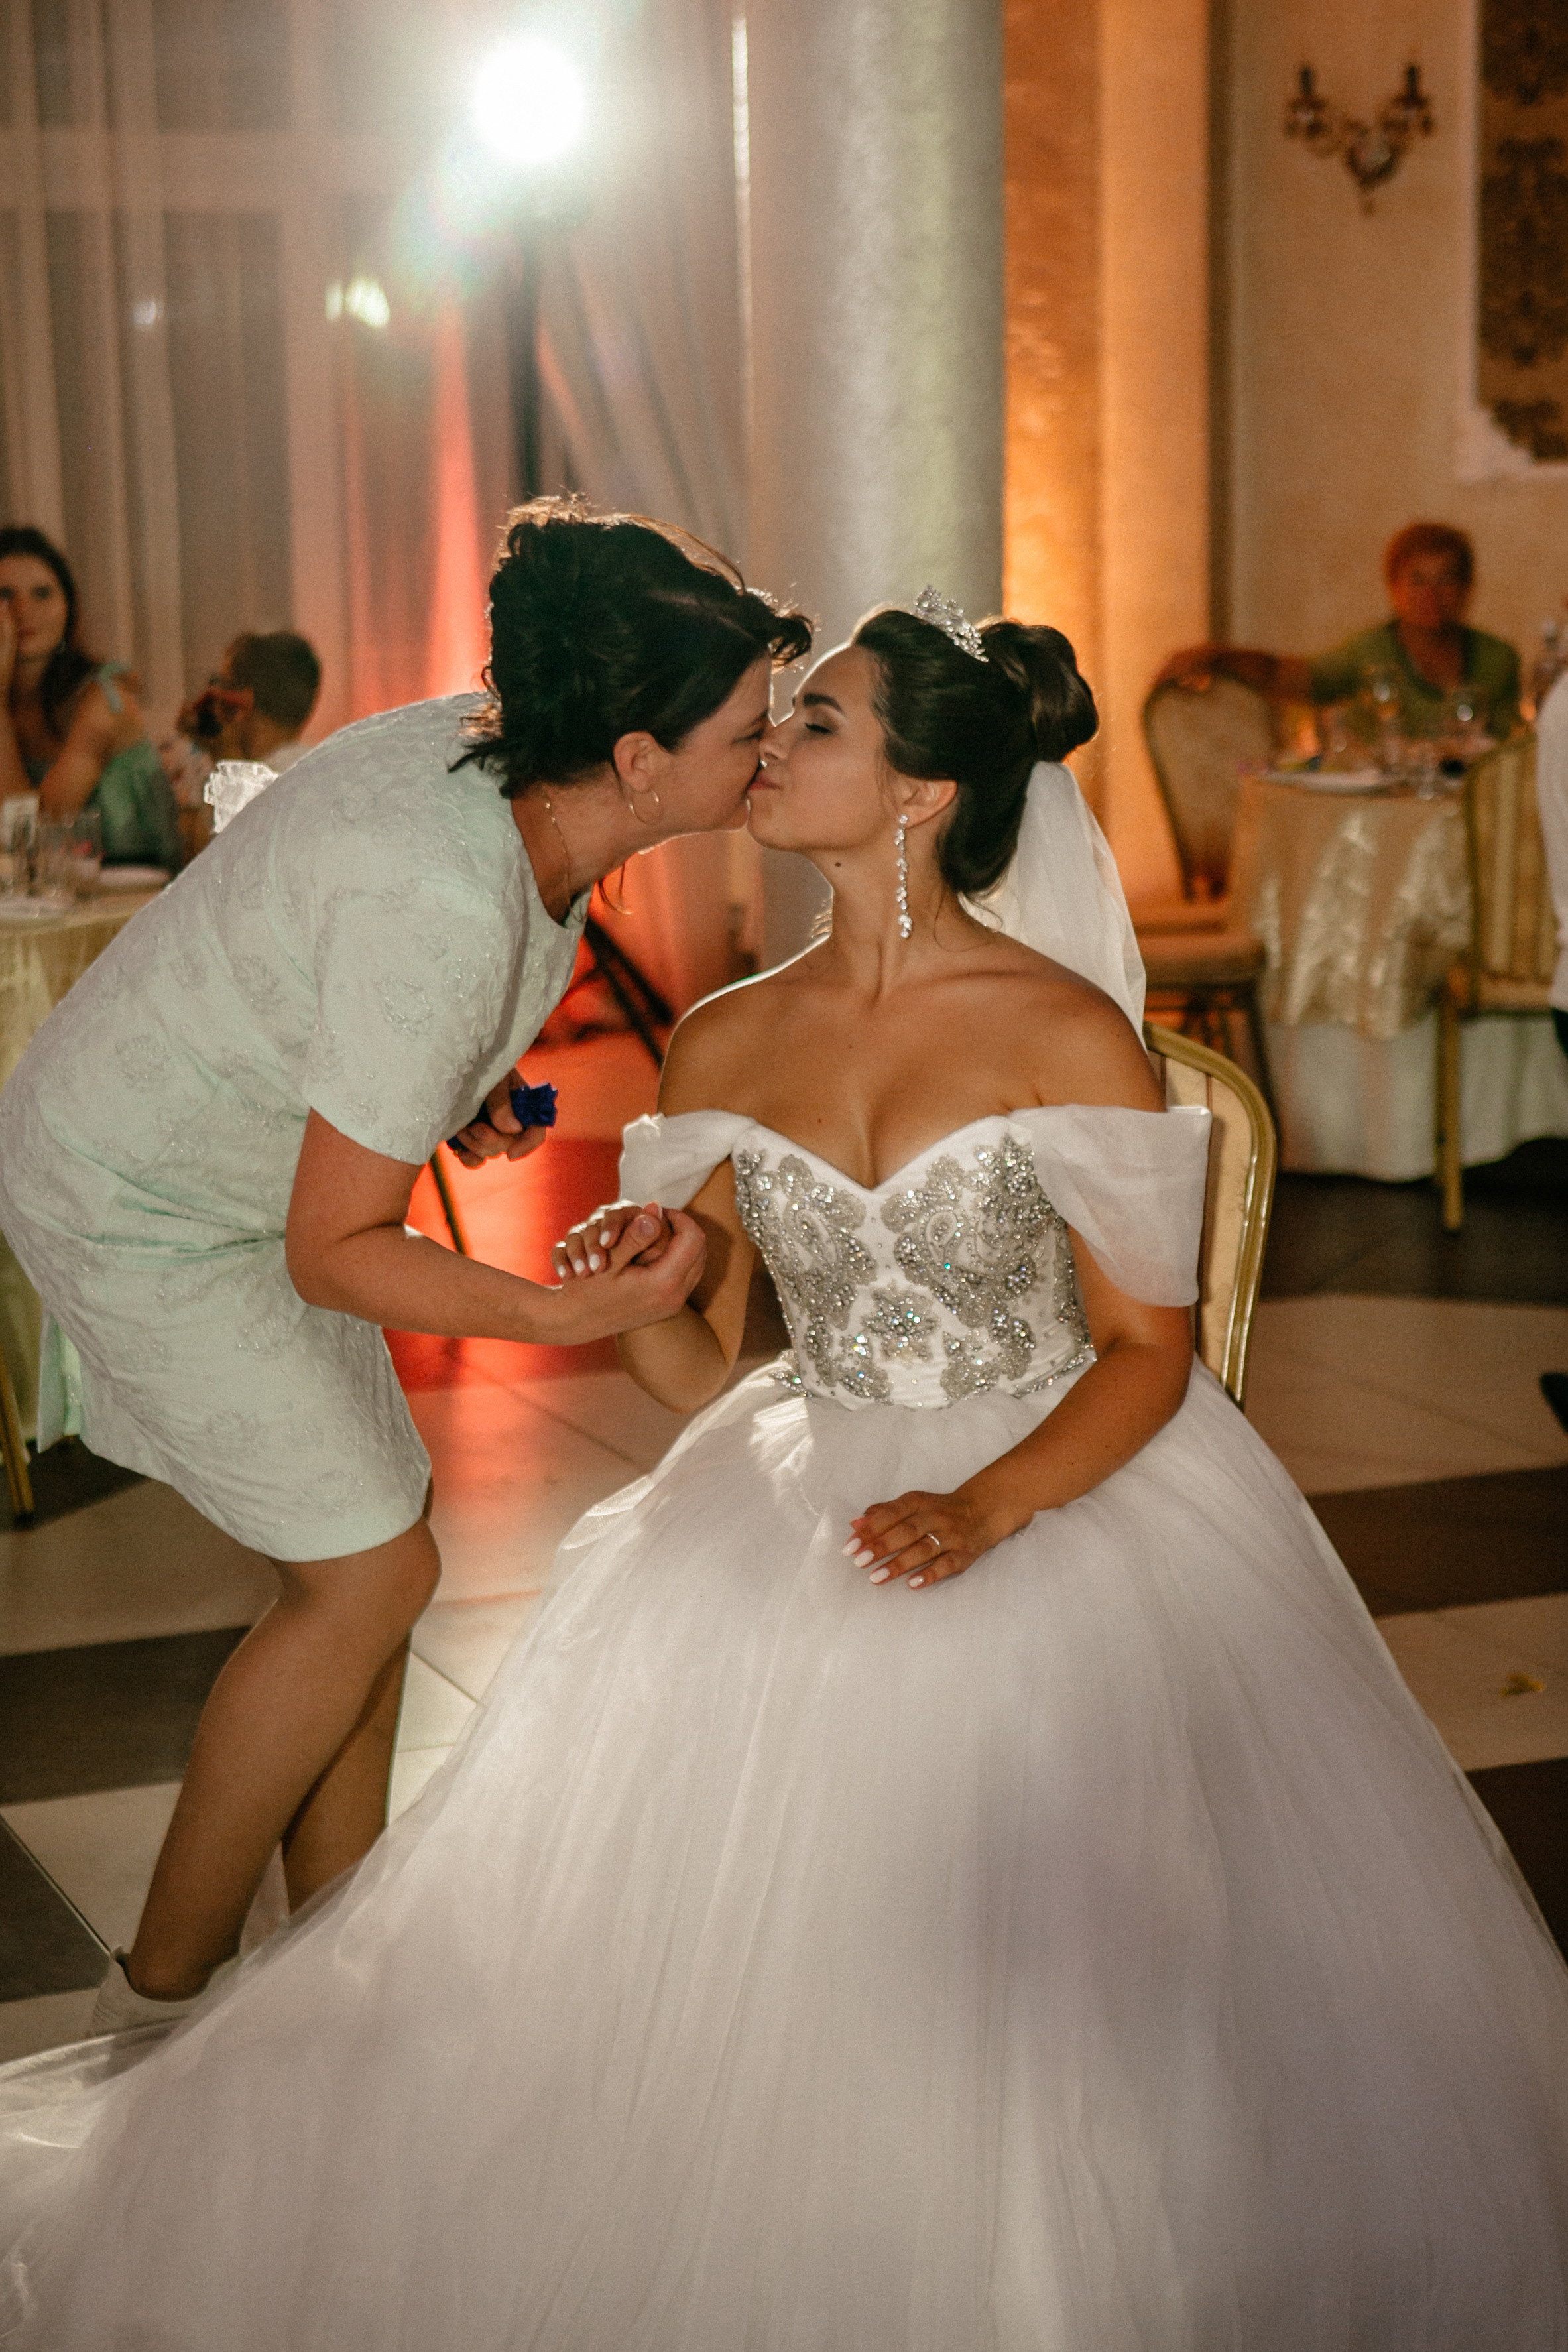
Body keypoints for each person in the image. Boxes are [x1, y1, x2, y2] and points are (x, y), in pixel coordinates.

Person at [3, 595, 1566, 2350]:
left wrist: (984, 1505)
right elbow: (694, 1360)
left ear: (915, 792)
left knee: (992, 1748)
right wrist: (633, 1301)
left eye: (814, 723)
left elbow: (1149, 1358)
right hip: (802, 1462)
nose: (774, 745)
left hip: (1056, 1474)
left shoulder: (1059, 1029)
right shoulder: (725, 1037)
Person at [0, 495, 810, 2044]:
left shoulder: (503, 752)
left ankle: (329, 1978)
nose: (766, 749)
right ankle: (155, 2014)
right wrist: (554, 1309)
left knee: (360, 1563)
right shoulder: (441, 891)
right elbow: (335, 1245)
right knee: (370, 1570)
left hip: (227, 1164)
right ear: (637, 761)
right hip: (142, 1194)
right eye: (745, 727)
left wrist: (438, 1077)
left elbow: (304, 911)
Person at [1159, 521, 1522, 743]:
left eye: (1446, 580)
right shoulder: (1369, 652)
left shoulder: (1498, 659)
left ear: (1466, 590)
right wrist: (1217, 656)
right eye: (1417, 580)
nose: (1431, 595)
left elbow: (1512, 751)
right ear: (1394, 587)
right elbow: (1289, 676)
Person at [0, 524, 184, 868]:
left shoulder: (102, 699)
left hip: (138, 891)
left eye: (42, 594)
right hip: (50, 899)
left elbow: (36, 836)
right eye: (5, 595)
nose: (23, 610)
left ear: (68, 607)